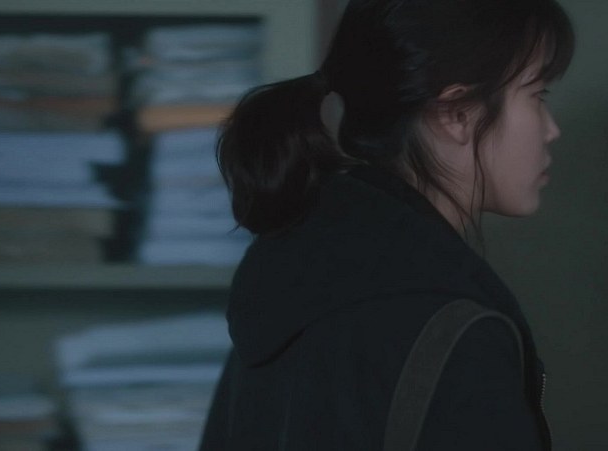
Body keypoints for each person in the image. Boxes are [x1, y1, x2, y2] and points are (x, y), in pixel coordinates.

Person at [199, 0, 574, 449]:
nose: (551, 129)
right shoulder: (452, 327)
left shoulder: (288, 273)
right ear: (455, 113)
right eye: (537, 96)